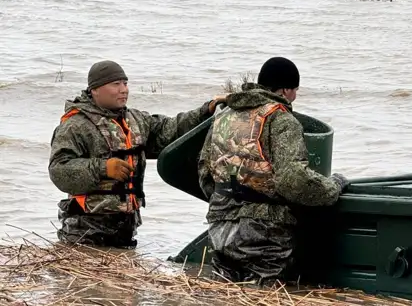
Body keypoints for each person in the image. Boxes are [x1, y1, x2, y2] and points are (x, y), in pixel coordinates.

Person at [198, 56, 349, 284]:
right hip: (263, 238)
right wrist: (333, 186)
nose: (295, 96)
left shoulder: (223, 117)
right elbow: (293, 181)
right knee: (265, 296)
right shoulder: (281, 120)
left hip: (219, 228)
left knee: (225, 292)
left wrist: (227, 205)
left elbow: (204, 173)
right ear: (286, 90)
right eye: (295, 90)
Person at [48, 60, 226, 248]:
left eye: (125, 83)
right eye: (115, 84)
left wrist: (207, 110)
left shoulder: (135, 120)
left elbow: (170, 130)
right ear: (95, 89)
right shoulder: (75, 126)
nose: (123, 89)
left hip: (126, 226)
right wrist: (103, 168)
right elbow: (58, 170)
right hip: (85, 229)